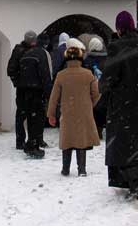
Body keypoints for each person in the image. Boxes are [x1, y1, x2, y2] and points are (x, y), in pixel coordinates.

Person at [99, 11, 138, 201]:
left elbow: (107, 81)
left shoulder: (116, 48)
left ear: (119, 29)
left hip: (123, 107)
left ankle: (134, 180)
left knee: (125, 146)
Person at [48, 38, 101, 176]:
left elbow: (54, 97)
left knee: (67, 139)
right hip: (84, 112)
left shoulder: (61, 75)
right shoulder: (88, 74)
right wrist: (90, 106)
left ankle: (65, 169)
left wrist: (51, 114)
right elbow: (96, 95)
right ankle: (81, 169)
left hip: (67, 111)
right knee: (81, 140)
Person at [14, 33, 52, 158]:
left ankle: (29, 143)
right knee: (37, 118)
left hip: (25, 90)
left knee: (30, 117)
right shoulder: (41, 54)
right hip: (36, 91)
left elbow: (20, 72)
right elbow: (45, 74)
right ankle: (33, 145)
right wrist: (48, 93)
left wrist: (21, 85)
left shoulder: (27, 53)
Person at [7, 30, 36, 150]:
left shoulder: (18, 50)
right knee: (26, 114)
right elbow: (11, 70)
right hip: (27, 88)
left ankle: (23, 141)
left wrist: (17, 82)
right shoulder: (23, 51)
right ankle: (26, 141)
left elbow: (11, 70)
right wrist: (19, 82)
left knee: (22, 114)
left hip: (25, 87)